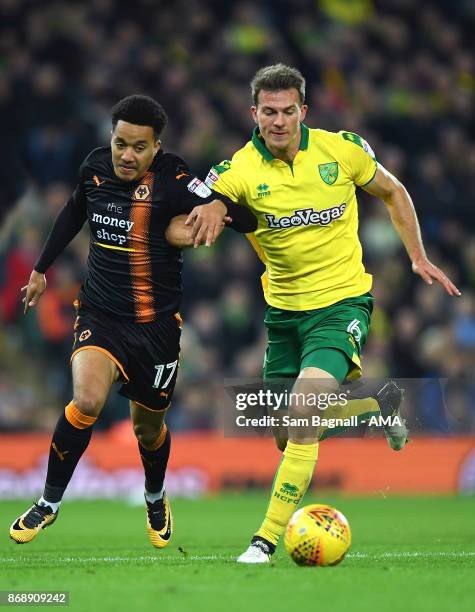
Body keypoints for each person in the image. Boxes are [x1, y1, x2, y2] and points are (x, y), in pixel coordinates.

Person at [166, 64, 461, 563]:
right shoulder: (236, 171)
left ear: (304, 111)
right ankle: (375, 408)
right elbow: (177, 224)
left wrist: (417, 255)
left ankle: (264, 540)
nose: (278, 122)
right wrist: (206, 213)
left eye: (287, 111)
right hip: (283, 317)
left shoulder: (341, 149)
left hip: (342, 303)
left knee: (304, 413)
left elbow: (393, 191)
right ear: (253, 114)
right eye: (269, 112)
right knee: (285, 435)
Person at [9, 94, 257, 548]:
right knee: (86, 401)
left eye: (138, 147)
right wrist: (41, 269)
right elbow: (73, 212)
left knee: (148, 428)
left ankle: (156, 497)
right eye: (121, 142)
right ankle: (48, 502)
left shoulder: (176, 178)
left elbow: (246, 217)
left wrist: (219, 208)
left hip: (156, 328)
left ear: (156, 147)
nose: (127, 154)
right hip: (101, 314)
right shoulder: (95, 167)